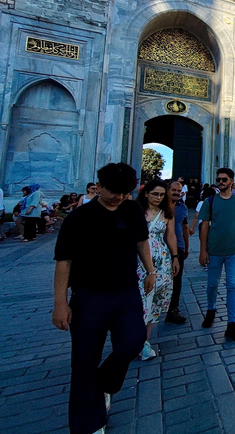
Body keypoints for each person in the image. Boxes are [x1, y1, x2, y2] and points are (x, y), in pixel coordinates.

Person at [52, 163, 155, 434]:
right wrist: (60, 303)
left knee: (133, 343)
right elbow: (64, 261)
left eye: (125, 192)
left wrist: (150, 270)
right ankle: (89, 424)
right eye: (114, 192)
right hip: (89, 298)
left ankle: (104, 384)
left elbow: (141, 241)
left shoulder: (132, 209)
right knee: (84, 362)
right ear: (99, 186)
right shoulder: (80, 217)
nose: (119, 197)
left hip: (126, 293)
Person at [198, 167, 235, 342]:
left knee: (232, 285)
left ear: (232, 181)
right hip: (214, 251)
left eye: (224, 179)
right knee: (212, 284)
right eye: (218, 179)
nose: (220, 182)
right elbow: (204, 226)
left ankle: (232, 324)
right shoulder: (210, 201)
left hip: (233, 250)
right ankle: (211, 310)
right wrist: (202, 250)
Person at [136, 179, 178, 360]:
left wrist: (176, 257)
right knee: (139, 299)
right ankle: (132, 338)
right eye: (155, 194)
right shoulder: (136, 211)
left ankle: (144, 341)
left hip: (162, 262)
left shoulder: (167, 212)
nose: (159, 197)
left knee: (156, 300)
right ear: (146, 193)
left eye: (162, 194)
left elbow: (171, 236)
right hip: (138, 261)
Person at [165, 181, 189, 325]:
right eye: (173, 190)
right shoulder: (159, 207)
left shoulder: (182, 208)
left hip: (178, 248)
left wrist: (186, 247)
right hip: (160, 249)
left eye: (178, 190)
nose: (176, 192)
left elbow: (185, 227)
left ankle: (173, 309)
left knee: (177, 280)